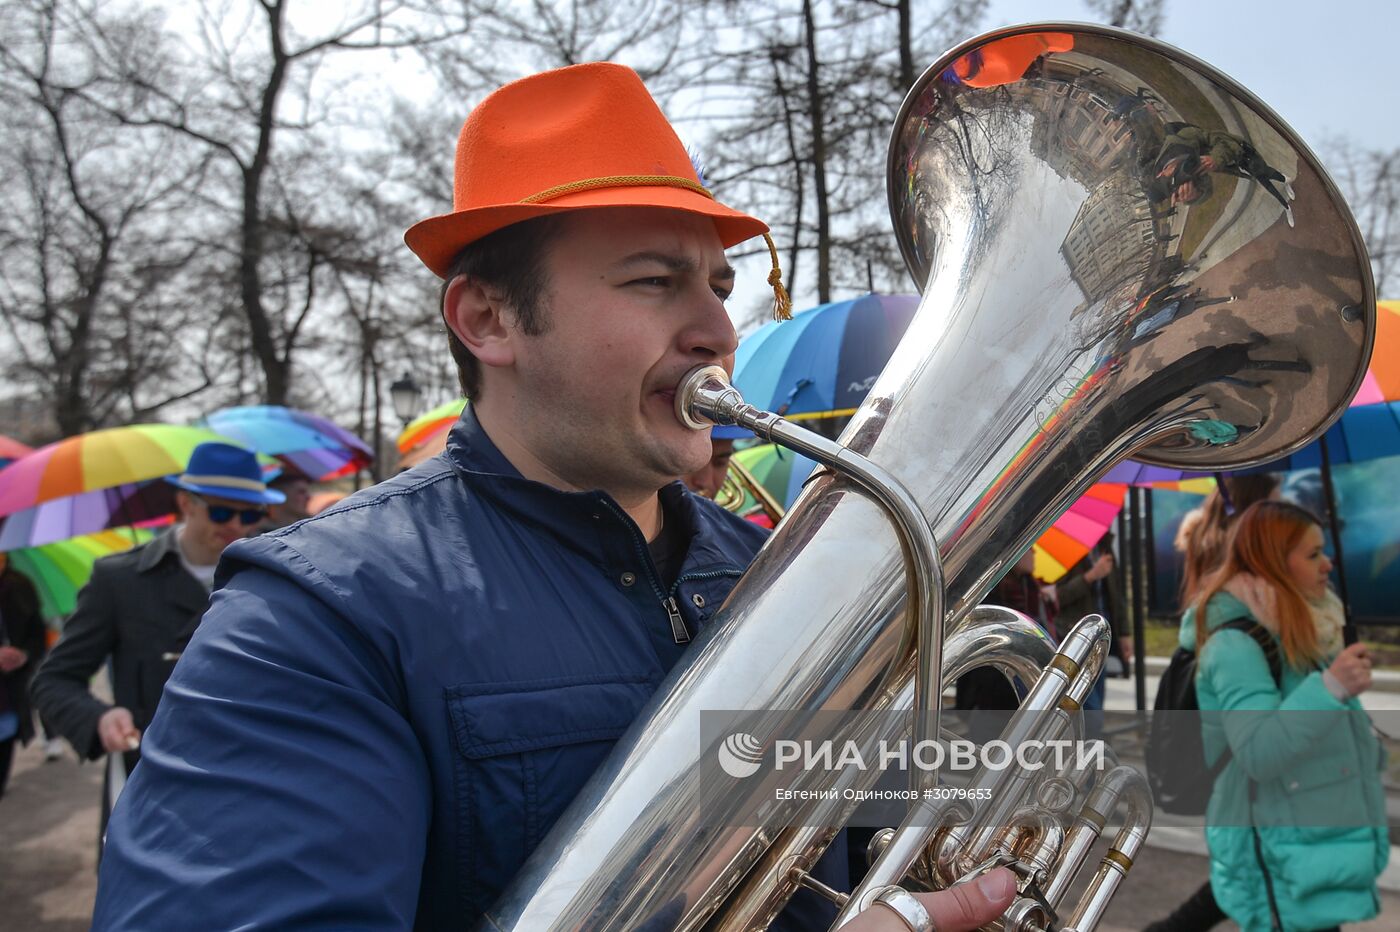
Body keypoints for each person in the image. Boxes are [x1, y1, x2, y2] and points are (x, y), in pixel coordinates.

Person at [89, 63, 1016, 930]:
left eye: (720, 285)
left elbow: (872, 850)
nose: (717, 330)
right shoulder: (319, 614)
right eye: (656, 281)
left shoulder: (776, 566)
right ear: (488, 319)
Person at [29, 442, 282, 845]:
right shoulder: (119, 579)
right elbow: (54, 680)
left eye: (251, 513)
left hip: (252, 787)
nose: (236, 524)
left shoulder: (275, 573)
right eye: (221, 511)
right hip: (153, 791)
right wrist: (99, 718)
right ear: (186, 502)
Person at [1182, 501, 1386, 932]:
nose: (1328, 564)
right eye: (1313, 555)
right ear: (1273, 561)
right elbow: (1259, 751)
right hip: (1278, 852)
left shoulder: (1306, 627)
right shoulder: (1236, 645)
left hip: (1308, 846)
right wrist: (1331, 686)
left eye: (1324, 551)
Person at [1146, 474, 1282, 932]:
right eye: (1278, 513)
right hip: (1258, 802)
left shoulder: (1233, 619)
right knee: (1253, 893)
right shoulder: (1245, 634)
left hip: (1253, 804)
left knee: (1234, 893)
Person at [0, 555, 46, 798]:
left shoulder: (18, 585)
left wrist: (23, 654)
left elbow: (36, 631)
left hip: (12, 683)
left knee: (8, 729)